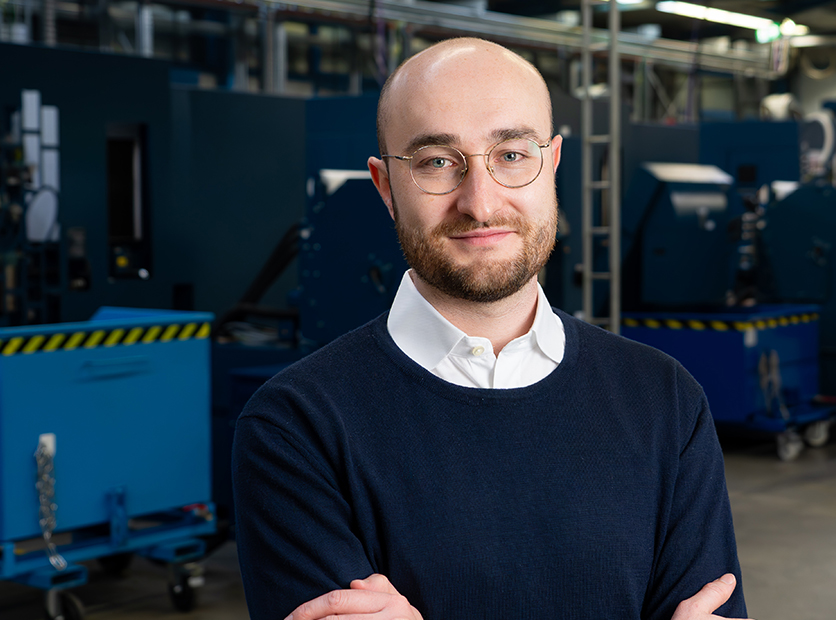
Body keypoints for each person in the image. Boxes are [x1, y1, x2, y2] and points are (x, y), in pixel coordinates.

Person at [232, 37, 747, 620]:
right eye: (436, 162)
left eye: (511, 155)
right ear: (384, 187)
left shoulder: (665, 400)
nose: (480, 203)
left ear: (551, 164)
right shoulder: (296, 429)